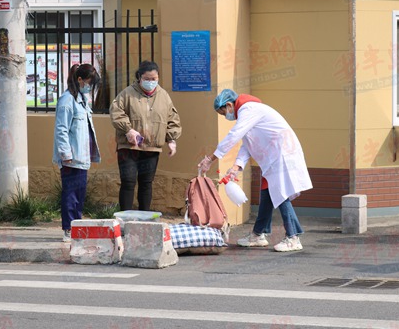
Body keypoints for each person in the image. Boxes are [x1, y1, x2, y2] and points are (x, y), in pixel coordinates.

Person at [198, 89, 312, 252]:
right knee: (267, 193)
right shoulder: (247, 114)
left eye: (224, 113)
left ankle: (293, 237)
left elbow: (234, 135)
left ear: (229, 105)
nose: (226, 117)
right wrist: (237, 166)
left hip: (282, 154)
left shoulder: (249, 109)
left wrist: (211, 158)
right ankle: (258, 234)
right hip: (273, 157)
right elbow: (247, 144)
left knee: (281, 193)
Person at [109, 60, 181, 211]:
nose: (150, 82)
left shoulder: (164, 96)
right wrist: (128, 130)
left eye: (153, 79)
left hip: (152, 147)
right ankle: (125, 219)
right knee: (128, 182)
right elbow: (116, 112)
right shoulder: (127, 93)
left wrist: (171, 139)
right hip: (129, 147)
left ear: (158, 78)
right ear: (139, 77)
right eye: (147, 79)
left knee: (146, 183)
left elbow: (172, 119)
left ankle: (144, 219)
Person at [53, 64, 101, 242]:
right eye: (89, 83)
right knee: (71, 194)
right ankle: (69, 228)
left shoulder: (81, 99)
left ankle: (76, 226)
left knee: (79, 194)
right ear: (80, 80)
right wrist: (66, 154)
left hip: (81, 156)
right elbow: (61, 129)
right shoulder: (67, 100)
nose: (90, 87)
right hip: (71, 157)